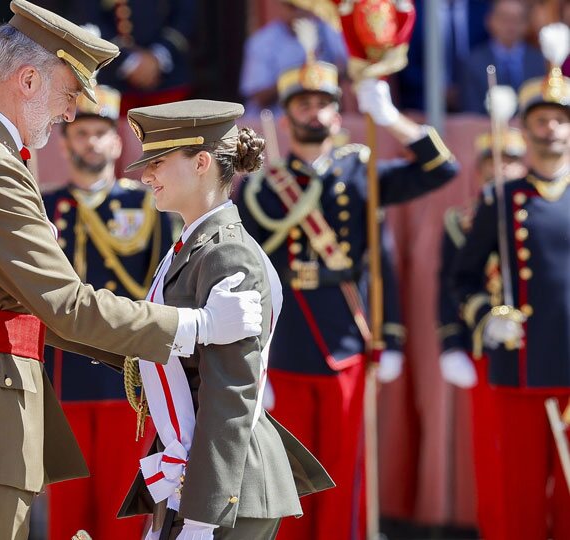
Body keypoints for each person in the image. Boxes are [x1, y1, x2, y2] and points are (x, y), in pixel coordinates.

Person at [0, 1, 266, 538]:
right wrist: (196, 328)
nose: (68, 113)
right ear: (29, 79)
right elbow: (64, 304)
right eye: (68, 94)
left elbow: (34, 314)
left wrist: (153, 360)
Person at [233, 58, 459, 540]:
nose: (314, 113)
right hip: (284, 346)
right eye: (303, 104)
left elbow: (441, 171)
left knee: (342, 473)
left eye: (323, 105)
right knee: (286, 476)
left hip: (345, 342)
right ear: (288, 115)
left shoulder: (361, 172)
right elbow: (244, 277)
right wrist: (250, 361)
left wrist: (392, 119)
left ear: (339, 115)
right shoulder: (261, 186)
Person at [115, 99, 333, 539]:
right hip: (200, 473)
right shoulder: (194, 245)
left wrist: (202, 516)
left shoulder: (226, 253)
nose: (146, 175)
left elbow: (232, 390)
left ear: (200, 163)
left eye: (157, 162)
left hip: (225, 488)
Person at [41, 84, 173, 539]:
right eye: (81, 133)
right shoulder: (42, 207)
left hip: (129, 380)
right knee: (68, 514)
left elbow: (161, 292)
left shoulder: (148, 206)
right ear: (64, 142)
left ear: (118, 142)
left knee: (124, 512)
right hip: (64, 376)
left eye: (101, 132)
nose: (91, 142)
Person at [452, 55, 570, 540]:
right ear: (525, 128)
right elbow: (463, 279)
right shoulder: (500, 200)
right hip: (520, 365)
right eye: (542, 119)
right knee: (517, 498)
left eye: (562, 119)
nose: (553, 129)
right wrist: (487, 317)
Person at [438, 127, 526, 539]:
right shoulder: (461, 221)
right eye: (493, 160)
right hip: (484, 347)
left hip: (537, 348)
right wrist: (451, 343)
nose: (502, 167)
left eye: (510, 159)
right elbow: (449, 285)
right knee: (495, 453)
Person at [73, 0, 196, 112]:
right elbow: (87, 16)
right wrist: (129, 61)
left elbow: (186, 15)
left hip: (169, 82)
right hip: (113, 81)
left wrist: (159, 55)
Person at [238, 0, 347, 116]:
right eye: (293, 7)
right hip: (276, 120)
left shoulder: (329, 31)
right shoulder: (262, 42)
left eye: (306, 6)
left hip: (319, 119)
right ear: (282, 6)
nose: (300, 12)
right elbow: (260, 96)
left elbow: (347, 71)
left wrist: (322, 65)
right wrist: (301, 72)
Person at [459, 0, 548, 115]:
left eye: (517, 19)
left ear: (526, 24)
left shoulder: (539, 60)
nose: (510, 25)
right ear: (489, 21)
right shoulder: (473, 62)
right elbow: (471, 112)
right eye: (504, 18)